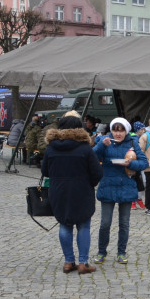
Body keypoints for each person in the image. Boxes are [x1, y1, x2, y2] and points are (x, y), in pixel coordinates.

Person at [42, 115, 103, 274]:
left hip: (59, 190)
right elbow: (97, 172)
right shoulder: (85, 148)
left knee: (64, 224)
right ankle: (83, 263)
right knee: (83, 225)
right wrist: (90, 184)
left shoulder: (51, 147)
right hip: (81, 190)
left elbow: (45, 171)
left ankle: (68, 261)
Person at [92, 117, 147, 265]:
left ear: (126, 131)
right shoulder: (104, 140)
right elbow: (91, 157)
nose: (118, 133)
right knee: (105, 223)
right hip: (108, 185)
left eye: (121, 130)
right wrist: (102, 146)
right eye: (115, 130)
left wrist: (131, 163)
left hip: (126, 186)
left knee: (124, 223)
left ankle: (121, 252)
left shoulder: (132, 142)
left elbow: (144, 162)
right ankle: (101, 251)